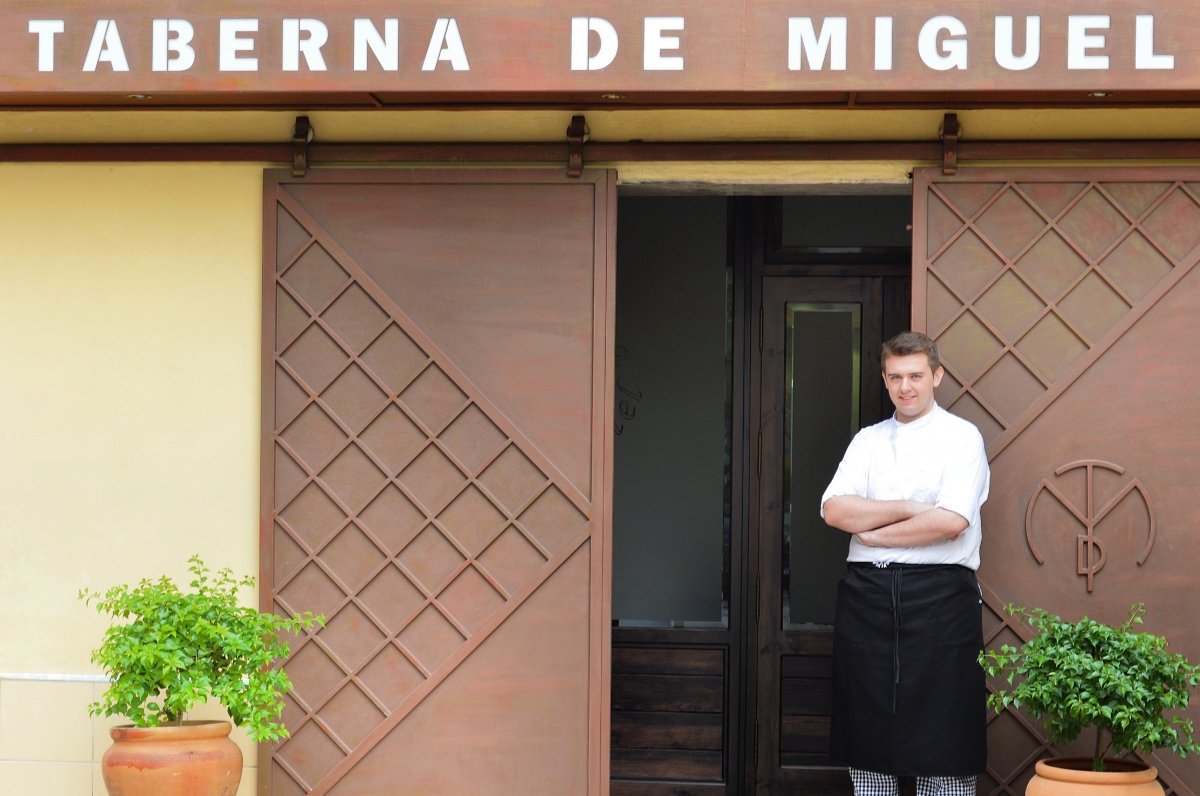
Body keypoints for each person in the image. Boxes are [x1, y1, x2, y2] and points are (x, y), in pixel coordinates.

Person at [820, 331, 990, 796]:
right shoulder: (868, 441)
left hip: (942, 597)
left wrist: (873, 532)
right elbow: (835, 510)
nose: (906, 387)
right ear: (884, 379)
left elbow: (952, 520)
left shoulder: (962, 438)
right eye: (895, 377)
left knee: (946, 736)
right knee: (868, 735)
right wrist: (914, 508)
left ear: (936, 375)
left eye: (915, 375)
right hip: (867, 598)